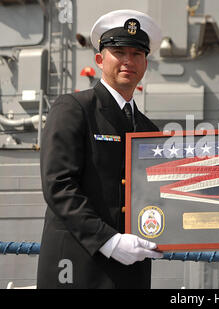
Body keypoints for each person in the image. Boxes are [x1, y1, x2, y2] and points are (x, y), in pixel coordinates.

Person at [37, 10, 164, 289]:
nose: (128, 61)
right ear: (99, 59)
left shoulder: (148, 129)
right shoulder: (74, 108)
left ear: (146, 63)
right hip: (77, 267)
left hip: (131, 270)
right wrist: (109, 240)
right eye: (119, 51)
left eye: (137, 53)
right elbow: (58, 185)